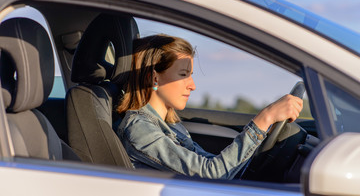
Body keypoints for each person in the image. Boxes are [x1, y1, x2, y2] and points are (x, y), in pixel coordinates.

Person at [116, 34, 303, 180]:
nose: (192, 85)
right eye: (183, 74)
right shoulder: (140, 130)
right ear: (154, 77)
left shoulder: (171, 125)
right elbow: (212, 174)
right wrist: (265, 118)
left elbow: (214, 165)